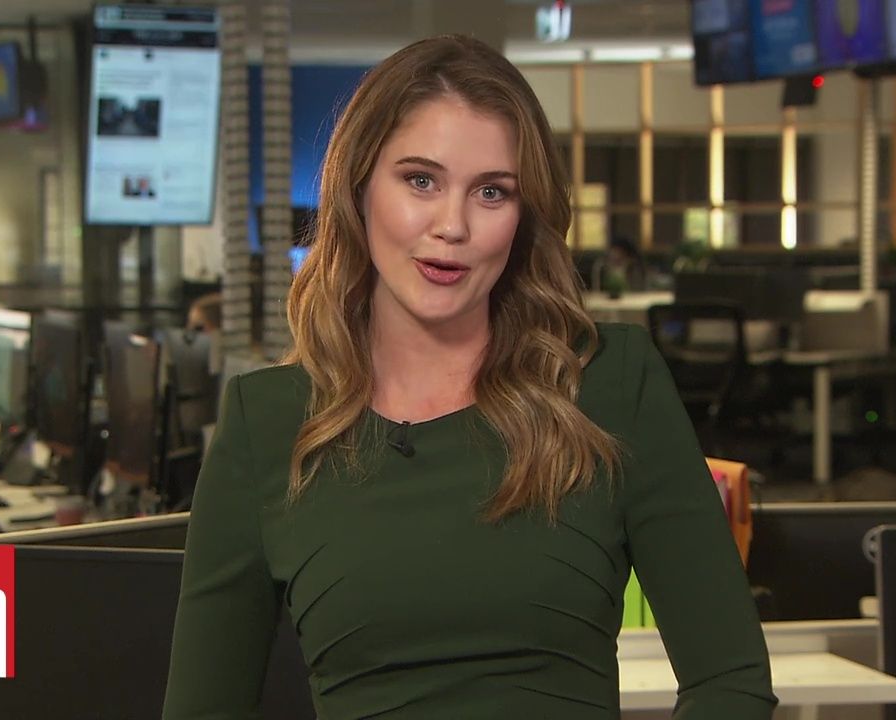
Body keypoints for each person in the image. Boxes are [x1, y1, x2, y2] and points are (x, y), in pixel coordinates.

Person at [163, 35, 775, 719]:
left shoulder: (609, 384)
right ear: (359, 189)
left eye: (491, 191)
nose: (451, 225)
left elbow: (731, 681)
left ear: (522, 215)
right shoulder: (267, 424)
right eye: (420, 181)